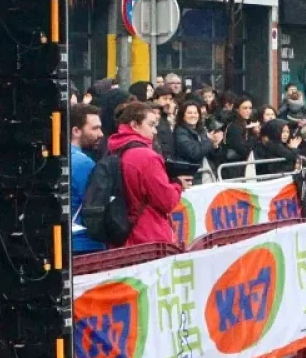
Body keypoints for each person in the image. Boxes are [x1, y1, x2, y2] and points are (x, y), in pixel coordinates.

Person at [106, 101, 187, 247]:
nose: (155, 131)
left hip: (122, 234)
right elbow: (166, 201)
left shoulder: (114, 149)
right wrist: (178, 184)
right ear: (135, 125)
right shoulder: (146, 157)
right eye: (150, 125)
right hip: (149, 235)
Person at [70, 104, 105, 254]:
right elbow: (96, 203)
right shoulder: (83, 163)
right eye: (95, 128)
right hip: (86, 243)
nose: (101, 134)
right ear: (76, 131)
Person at [173, 101, 224, 185]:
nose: (193, 115)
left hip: (209, 174)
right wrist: (210, 141)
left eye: (195, 113)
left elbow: (216, 157)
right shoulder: (180, 132)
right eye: (189, 113)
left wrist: (215, 146)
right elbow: (194, 153)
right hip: (193, 178)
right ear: (182, 115)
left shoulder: (202, 131)